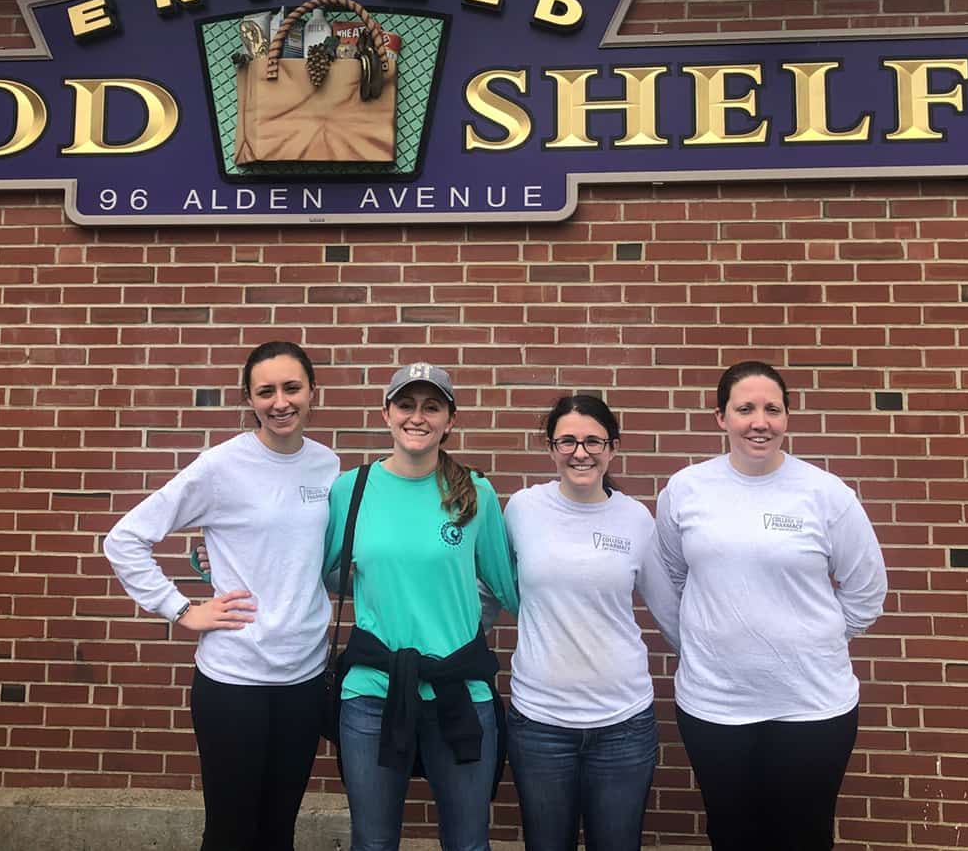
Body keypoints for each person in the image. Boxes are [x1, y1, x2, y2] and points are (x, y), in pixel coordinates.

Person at [103, 340, 338, 851]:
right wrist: (181, 608)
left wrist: (205, 557)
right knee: (231, 832)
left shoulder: (327, 466)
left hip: (304, 677)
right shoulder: (221, 465)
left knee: (279, 831)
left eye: (292, 388)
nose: (280, 402)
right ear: (250, 400)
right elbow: (125, 539)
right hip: (235, 681)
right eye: (266, 391)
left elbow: (301, 553)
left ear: (312, 392)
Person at [656, 360, 888, 851]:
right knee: (731, 834)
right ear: (721, 417)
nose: (759, 421)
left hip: (811, 706)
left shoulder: (825, 494)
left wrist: (815, 638)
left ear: (786, 417)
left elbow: (866, 589)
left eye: (771, 409)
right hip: (715, 704)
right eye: (745, 409)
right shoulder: (686, 489)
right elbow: (676, 573)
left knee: (802, 836)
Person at [324, 362, 519, 851]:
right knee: (372, 842)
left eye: (431, 406)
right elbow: (319, 570)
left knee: (469, 843)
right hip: (371, 692)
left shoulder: (476, 492)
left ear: (449, 421)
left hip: (461, 693)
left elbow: (511, 586)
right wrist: (222, 570)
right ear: (386, 414)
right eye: (406, 405)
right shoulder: (354, 488)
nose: (418, 416)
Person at [502, 395, 681, 851]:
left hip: (623, 722)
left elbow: (667, 610)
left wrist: (710, 665)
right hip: (539, 721)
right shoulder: (522, 510)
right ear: (550, 448)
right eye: (567, 441)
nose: (580, 452)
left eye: (593, 441)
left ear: (613, 448)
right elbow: (492, 593)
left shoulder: (636, 518)